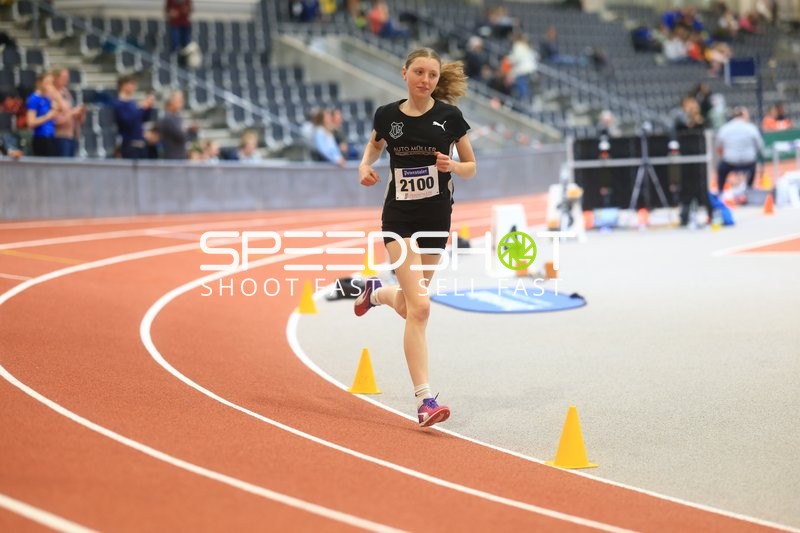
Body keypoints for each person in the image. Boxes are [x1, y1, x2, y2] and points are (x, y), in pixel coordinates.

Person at [355, 47, 476, 428]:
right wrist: (364, 165)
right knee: (421, 308)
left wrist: (453, 164)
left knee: (409, 307)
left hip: (437, 218)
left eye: (432, 75)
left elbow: (471, 168)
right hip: (400, 218)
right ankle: (425, 400)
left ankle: (374, 293)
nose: (425, 80)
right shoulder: (388, 116)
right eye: (419, 72)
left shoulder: (449, 118)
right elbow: (374, 147)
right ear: (405, 73)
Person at [715, 106, 765, 193]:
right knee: (753, 167)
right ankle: (749, 189)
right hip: (748, 162)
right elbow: (760, 146)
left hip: (730, 161)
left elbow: (718, 145)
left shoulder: (725, 128)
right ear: (743, 115)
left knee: (721, 170)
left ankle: (720, 191)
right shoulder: (751, 128)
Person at [113, 75, 155, 159]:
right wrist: (142, 108)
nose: (134, 87)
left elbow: (142, 119)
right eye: (132, 84)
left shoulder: (133, 103)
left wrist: (148, 108)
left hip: (140, 143)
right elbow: (127, 121)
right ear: (123, 85)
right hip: (129, 144)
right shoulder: (118, 104)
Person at [50, 67, 86, 158]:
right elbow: (54, 118)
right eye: (63, 77)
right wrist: (72, 113)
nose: (66, 80)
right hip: (60, 135)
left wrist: (80, 114)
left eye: (67, 77)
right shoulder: (51, 94)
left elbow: (70, 112)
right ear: (55, 78)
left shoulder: (66, 92)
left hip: (71, 135)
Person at [25, 72, 59, 157]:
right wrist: (48, 116)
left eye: (51, 83)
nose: (50, 86)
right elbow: (31, 122)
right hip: (40, 138)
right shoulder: (34, 99)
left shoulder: (48, 99)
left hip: (50, 137)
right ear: (40, 83)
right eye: (47, 83)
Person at [159, 89, 197, 159]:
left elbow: (189, 137)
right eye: (179, 100)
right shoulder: (167, 118)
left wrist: (192, 131)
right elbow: (182, 136)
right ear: (171, 101)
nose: (182, 102)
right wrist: (188, 130)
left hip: (180, 157)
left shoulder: (178, 117)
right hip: (172, 159)